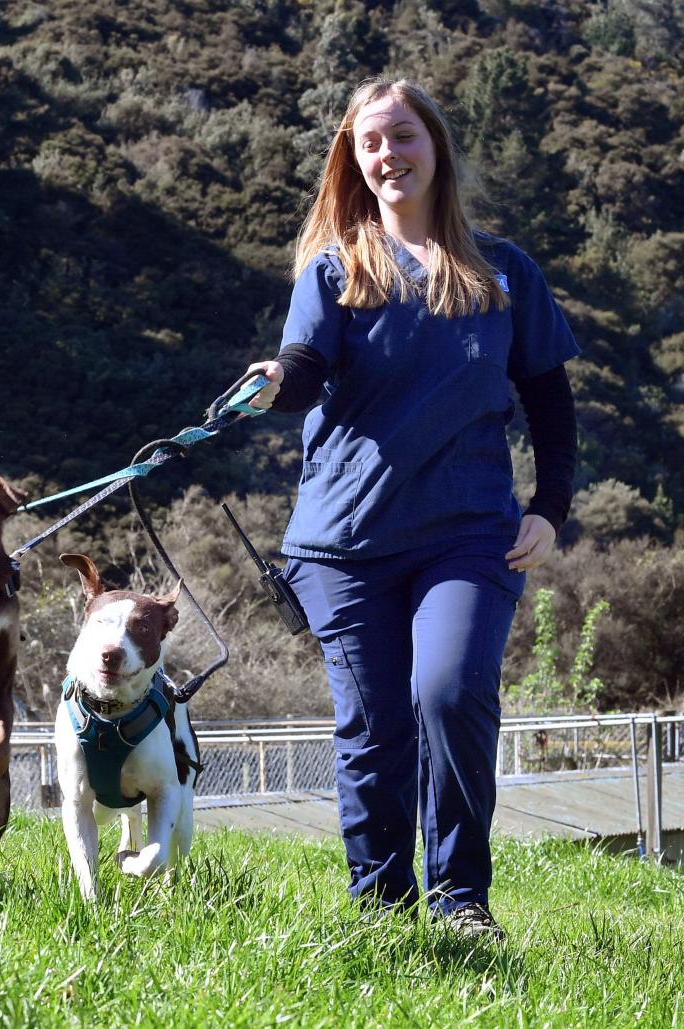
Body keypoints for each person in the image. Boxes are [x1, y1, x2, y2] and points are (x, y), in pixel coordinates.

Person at [245, 77, 579, 939]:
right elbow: (304, 367)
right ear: (353, 162)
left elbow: (548, 393)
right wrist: (274, 383)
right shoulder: (333, 271)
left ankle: (461, 896)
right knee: (375, 727)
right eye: (371, 144)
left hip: (466, 536)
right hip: (344, 543)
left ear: (436, 147)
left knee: (450, 689)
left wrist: (552, 506)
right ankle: (384, 913)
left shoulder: (504, 272)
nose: (389, 155)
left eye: (403, 137)